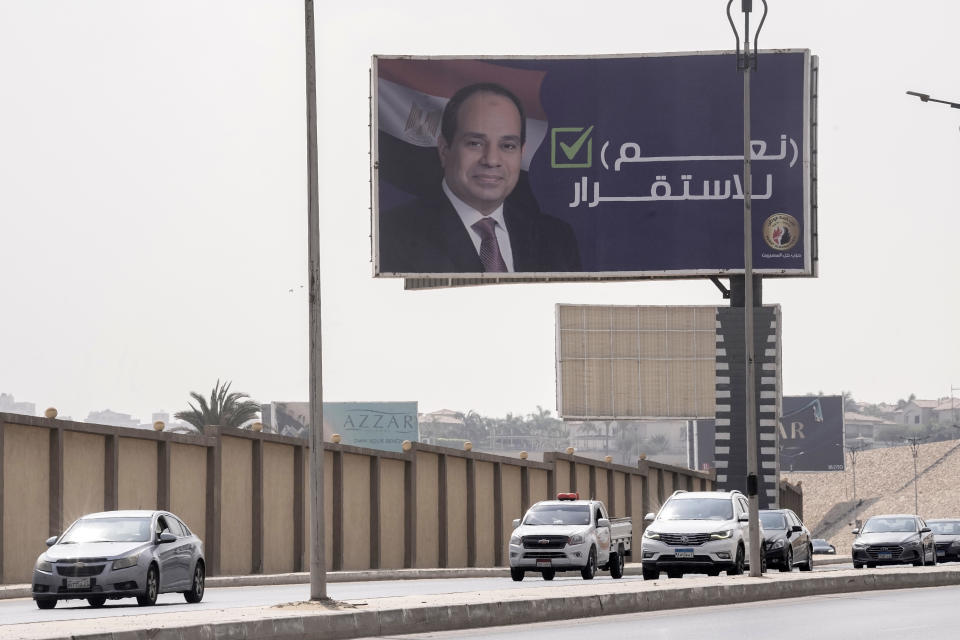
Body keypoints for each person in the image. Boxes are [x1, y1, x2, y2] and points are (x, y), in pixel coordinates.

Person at [379, 82, 581, 274]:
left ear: (521, 153)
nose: (492, 160)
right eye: (475, 143)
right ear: (444, 150)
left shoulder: (557, 238)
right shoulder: (389, 236)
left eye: (507, 146)